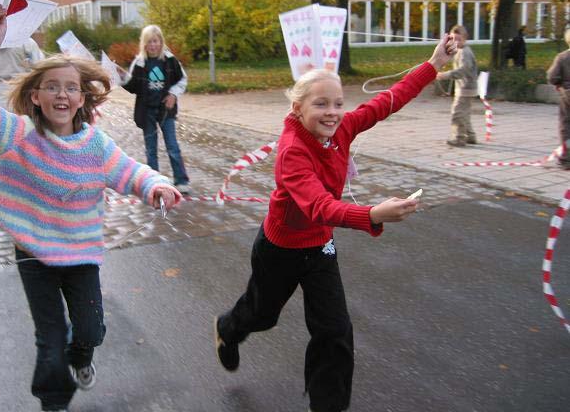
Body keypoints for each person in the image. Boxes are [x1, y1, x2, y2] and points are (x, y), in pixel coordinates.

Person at [0, 6, 181, 412]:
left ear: (82, 98)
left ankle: (83, 355)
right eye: (51, 87)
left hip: (80, 253)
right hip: (33, 252)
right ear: (35, 97)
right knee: (50, 338)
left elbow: (130, 172)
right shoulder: (17, 135)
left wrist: (158, 185)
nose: (62, 94)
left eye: (70, 87)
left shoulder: (95, 145)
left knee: (90, 330)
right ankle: (53, 402)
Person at [213, 35, 457, 412]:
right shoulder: (292, 151)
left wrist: (434, 62)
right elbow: (319, 207)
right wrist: (373, 214)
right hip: (280, 249)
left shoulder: (342, 128)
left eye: (338, 104)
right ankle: (228, 329)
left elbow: (387, 101)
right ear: (298, 108)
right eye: (321, 104)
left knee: (335, 330)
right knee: (262, 316)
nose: (332, 112)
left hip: (320, 247)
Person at [117, 25, 191, 194]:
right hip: (147, 111)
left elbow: (182, 80)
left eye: (156, 41)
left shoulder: (170, 60)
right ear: (144, 44)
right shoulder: (140, 63)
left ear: (161, 42)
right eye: (149, 42)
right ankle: (154, 182)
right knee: (151, 149)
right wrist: (122, 78)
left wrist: (173, 94)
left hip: (166, 110)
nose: (153, 45)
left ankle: (181, 180)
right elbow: (133, 85)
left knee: (172, 146)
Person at [436, 25, 478, 147]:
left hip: (466, 88)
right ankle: (470, 136)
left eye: (459, 39)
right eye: (453, 39)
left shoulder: (465, 52)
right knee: (465, 113)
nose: (456, 42)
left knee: (457, 113)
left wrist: (445, 75)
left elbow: (463, 70)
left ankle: (459, 138)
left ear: (465, 39)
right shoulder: (460, 51)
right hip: (465, 87)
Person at [547, 28, 570, 170]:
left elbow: (552, 77)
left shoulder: (562, 57)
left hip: (567, 96)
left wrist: (559, 84)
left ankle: (566, 159)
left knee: (566, 127)